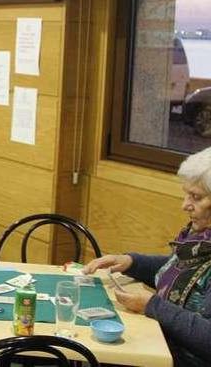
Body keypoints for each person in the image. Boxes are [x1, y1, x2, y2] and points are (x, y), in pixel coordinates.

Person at [83, 146, 211, 367]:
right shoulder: (201, 239)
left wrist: (152, 305)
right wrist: (132, 262)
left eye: (196, 197)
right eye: (186, 194)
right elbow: (180, 270)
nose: (185, 205)